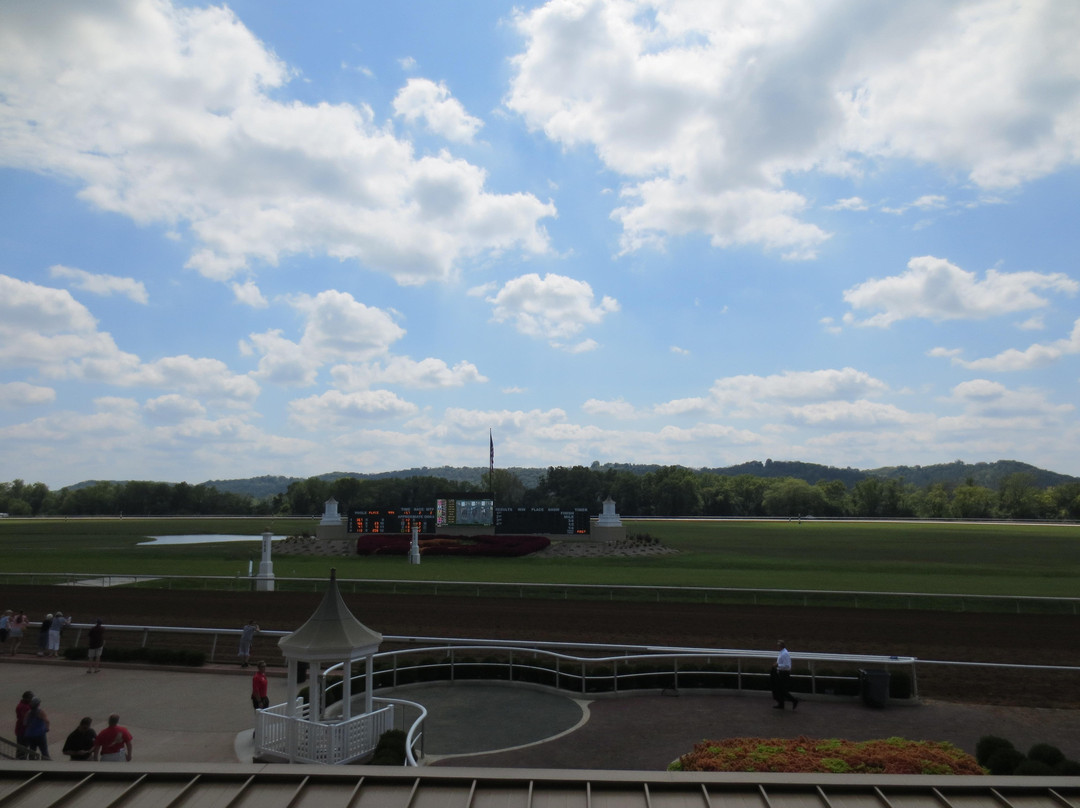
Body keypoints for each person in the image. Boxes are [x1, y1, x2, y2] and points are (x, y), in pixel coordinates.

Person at [772, 639, 799, 710]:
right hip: (782, 673)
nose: (777, 647)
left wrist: (778, 665)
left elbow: (787, 666)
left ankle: (794, 700)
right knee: (780, 689)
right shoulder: (782, 652)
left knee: (783, 690)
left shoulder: (785, 654)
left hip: (784, 674)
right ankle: (781, 704)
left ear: (781, 646)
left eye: (778, 645)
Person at [14, 690, 33, 758]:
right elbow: (24, 720)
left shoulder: (26, 705)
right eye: (30, 698)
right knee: (22, 748)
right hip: (22, 731)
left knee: (23, 747)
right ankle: (21, 760)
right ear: (26, 698)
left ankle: (21, 758)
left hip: (23, 730)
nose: (31, 699)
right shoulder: (23, 707)